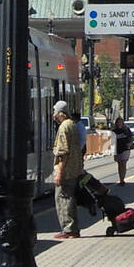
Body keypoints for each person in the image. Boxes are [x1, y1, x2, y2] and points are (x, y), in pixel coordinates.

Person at [52, 101, 84, 238]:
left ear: (60, 113)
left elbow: (63, 152)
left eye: (55, 111)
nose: (53, 115)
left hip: (66, 170)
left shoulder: (64, 127)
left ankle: (68, 228)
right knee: (71, 198)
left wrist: (59, 173)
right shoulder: (73, 125)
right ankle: (73, 228)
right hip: (75, 168)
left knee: (62, 198)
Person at [112, 116, 134, 186]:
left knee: (123, 163)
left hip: (125, 149)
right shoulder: (114, 131)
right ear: (116, 123)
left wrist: (129, 144)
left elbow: (131, 138)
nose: (119, 123)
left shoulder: (126, 130)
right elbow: (111, 141)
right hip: (117, 149)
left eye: (120, 122)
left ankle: (122, 180)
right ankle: (121, 178)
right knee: (119, 164)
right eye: (118, 122)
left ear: (122, 123)